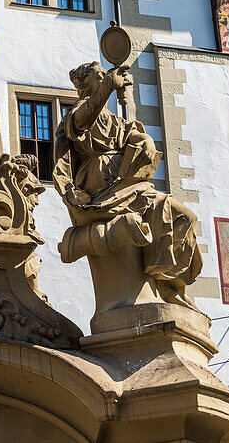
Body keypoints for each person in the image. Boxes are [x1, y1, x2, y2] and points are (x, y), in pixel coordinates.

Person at [53, 61, 202, 308]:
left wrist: (146, 140)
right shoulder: (77, 114)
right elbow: (83, 120)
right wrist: (109, 86)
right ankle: (161, 285)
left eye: (105, 75)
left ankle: (167, 282)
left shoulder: (112, 119)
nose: (104, 78)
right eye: (99, 76)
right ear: (84, 85)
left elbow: (130, 133)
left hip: (130, 184)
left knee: (184, 217)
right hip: (100, 186)